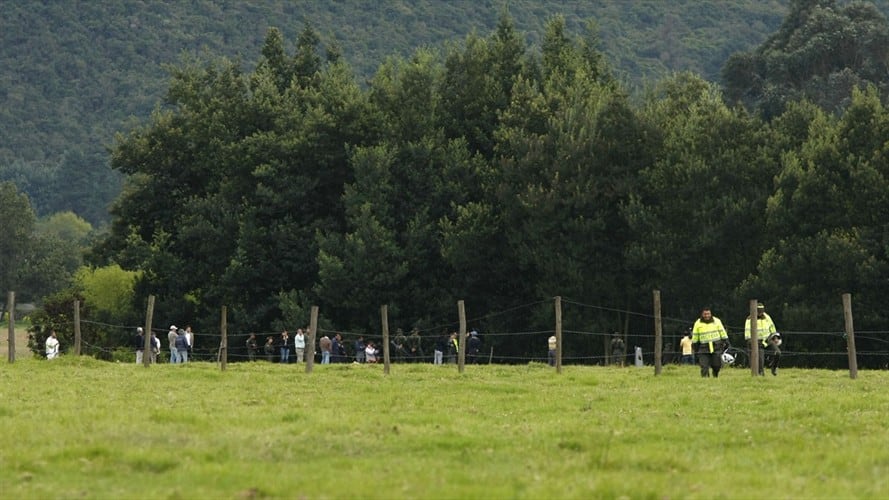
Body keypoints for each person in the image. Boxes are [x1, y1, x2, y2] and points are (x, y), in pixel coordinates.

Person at [692, 307, 729, 378]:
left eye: (708, 314)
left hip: (716, 347)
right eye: (705, 314)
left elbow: (722, 331)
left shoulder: (717, 321)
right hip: (703, 348)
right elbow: (695, 336)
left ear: (711, 314)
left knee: (716, 365)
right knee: (704, 366)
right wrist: (695, 345)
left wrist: (726, 340)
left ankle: (715, 375)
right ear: (702, 314)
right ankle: (705, 379)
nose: (707, 316)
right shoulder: (697, 323)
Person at [745, 303, 779, 376]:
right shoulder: (749, 319)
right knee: (760, 362)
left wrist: (775, 337)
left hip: (768, 340)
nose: (760, 313)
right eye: (758, 311)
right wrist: (752, 343)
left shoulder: (767, 317)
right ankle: (761, 376)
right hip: (757, 343)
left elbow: (772, 328)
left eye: (761, 311)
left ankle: (774, 367)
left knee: (777, 352)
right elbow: (747, 333)